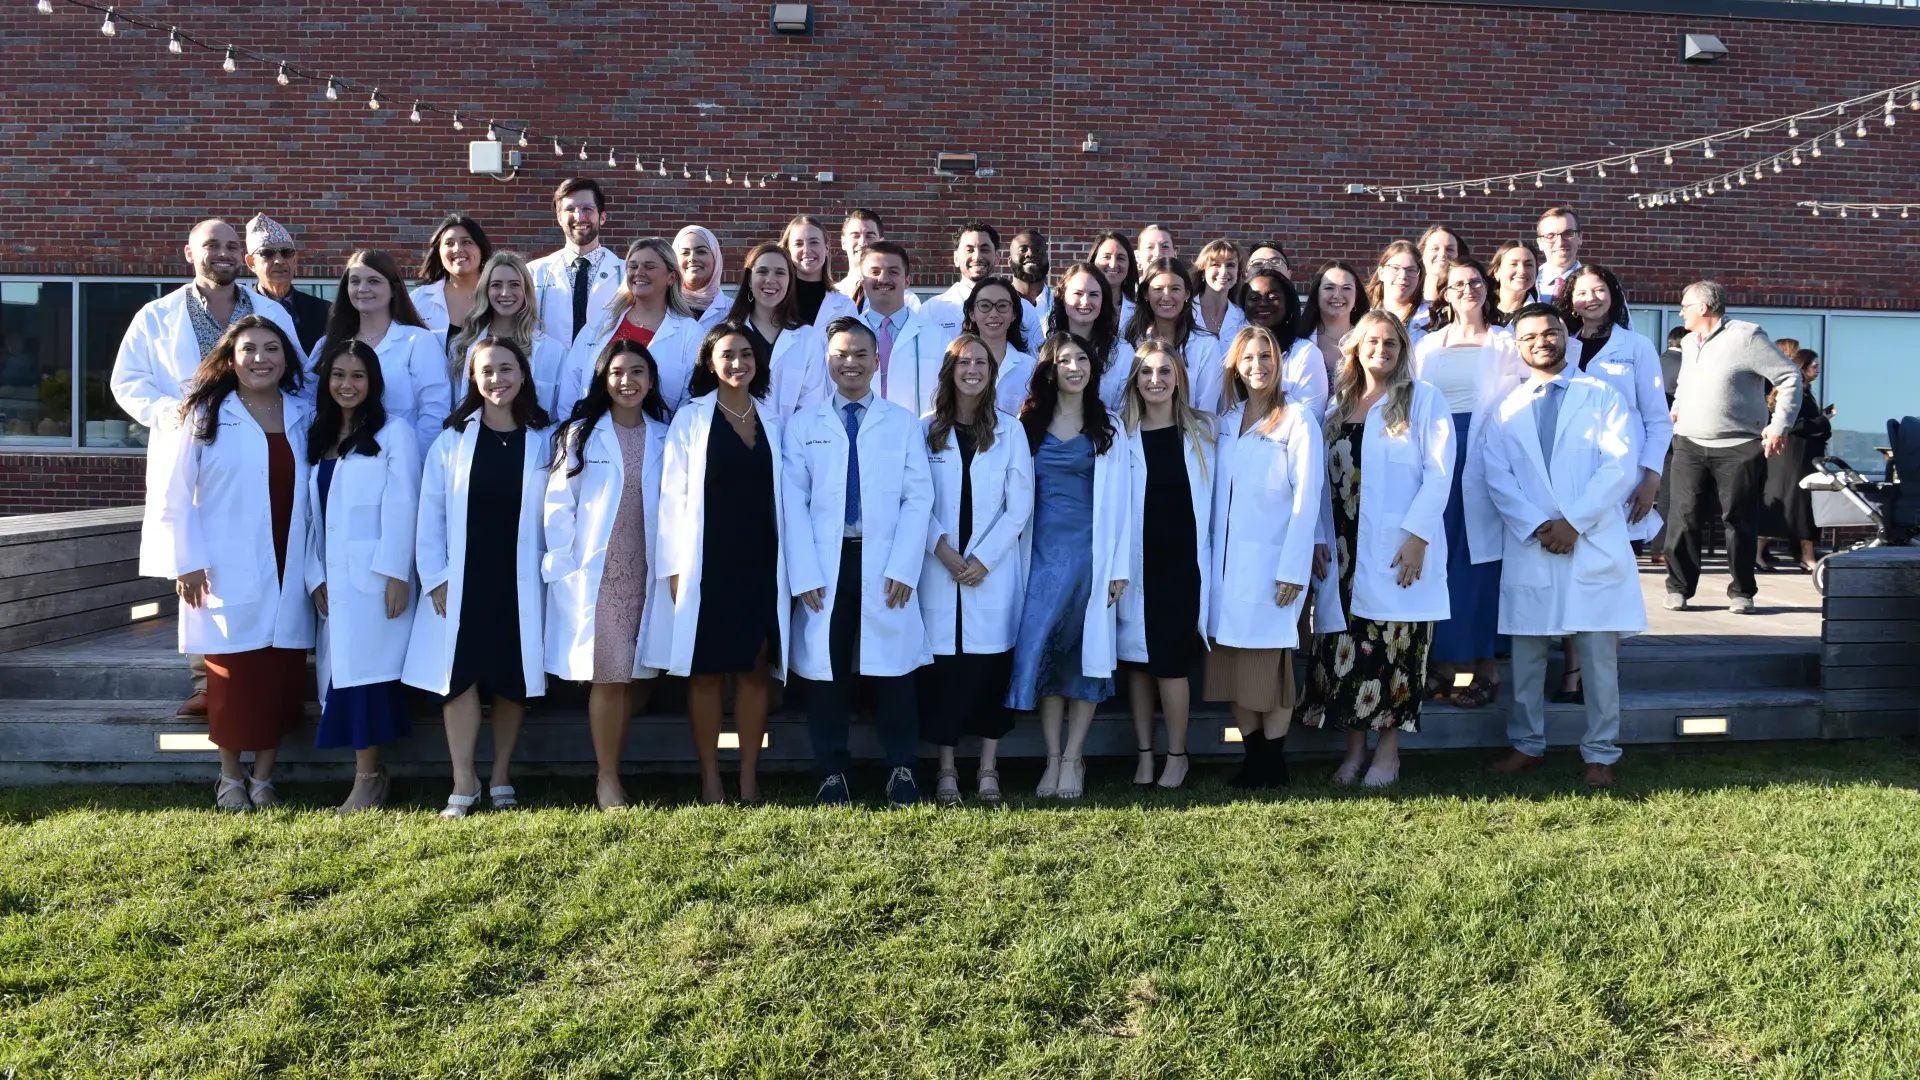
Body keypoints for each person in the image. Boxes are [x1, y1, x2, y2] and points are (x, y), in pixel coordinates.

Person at [112, 219, 303, 720]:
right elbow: (126, 382)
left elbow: (296, 371)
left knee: (264, 557)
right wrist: (175, 417)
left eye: (229, 246)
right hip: (192, 449)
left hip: (253, 445)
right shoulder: (157, 316)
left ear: (241, 256)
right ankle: (206, 680)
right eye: (210, 245)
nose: (221, 253)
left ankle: (271, 674)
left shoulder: (266, 311)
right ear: (189, 253)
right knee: (195, 561)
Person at [140, 316, 312, 810]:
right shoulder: (203, 414)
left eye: (272, 348)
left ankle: (264, 777)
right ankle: (230, 777)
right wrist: (185, 561)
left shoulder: (303, 413)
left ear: (286, 358)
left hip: (290, 558)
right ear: (230, 358)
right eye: (249, 349)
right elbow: (174, 495)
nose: (261, 358)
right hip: (223, 564)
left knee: (281, 671)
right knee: (233, 672)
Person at [1482, 304, 1646, 789]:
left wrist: (1573, 522)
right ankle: (1526, 744)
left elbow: (1619, 466)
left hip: (1591, 541)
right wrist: (1539, 525)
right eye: (1529, 336)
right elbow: (1497, 475)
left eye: (1549, 332)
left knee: (1598, 656)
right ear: (1518, 346)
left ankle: (1600, 752)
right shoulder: (1507, 407)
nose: (1540, 342)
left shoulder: (1603, 397)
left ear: (1564, 336)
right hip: (1533, 543)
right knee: (1528, 653)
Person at [784, 317, 935, 806]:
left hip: (885, 562)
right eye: (840, 355)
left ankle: (901, 770)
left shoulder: (902, 423)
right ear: (828, 362)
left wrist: (904, 566)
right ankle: (831, 771)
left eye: (860, 355)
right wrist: (805, 572)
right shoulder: (805, 425)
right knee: (826, 672)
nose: (850, 363)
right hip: (826, 567)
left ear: (877, 361)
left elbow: (918, 499)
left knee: (895, 670)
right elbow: (793, 502)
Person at [403, 339, 553, 818]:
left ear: (523, 375)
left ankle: (502, 774)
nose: (496, 379)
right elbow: (429, 513)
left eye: (506, 369)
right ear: (473, 379)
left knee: (513, 675)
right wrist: (436, 576)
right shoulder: (452, 438)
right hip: (464, 576)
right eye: (486, 371)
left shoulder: (544, 436)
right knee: (460, 676)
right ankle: (463, 780)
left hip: (521, 576)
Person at [1304, 310, 1453, 788]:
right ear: (1355, 348)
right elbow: (1321, 486)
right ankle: (1354, 752)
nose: (1381, 350)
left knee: (1396, 651)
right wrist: (1320, 539)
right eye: (1372, 342)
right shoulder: (1338, 406)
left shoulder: (1423, 400)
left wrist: (1417, 537)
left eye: (1391, 343)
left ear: (1403, 349)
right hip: (1343, 552)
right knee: (1344, 652)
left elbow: (1440, 472)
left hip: (1397, 547)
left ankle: (1388, 755)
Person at [651, 322, 792, 804]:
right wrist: (673, 567)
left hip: (761, 560)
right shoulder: (691, 420)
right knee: (706, 671)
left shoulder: (774, 420)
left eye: (746, 356)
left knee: (754, 669)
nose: (738, 364)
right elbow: (672, 495)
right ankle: (711, 776)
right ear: (710, 363)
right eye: (727, 355)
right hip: (706, 563)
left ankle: (749, 777)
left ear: (759, 364)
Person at [544, 338, 672, 810]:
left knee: (640, 673)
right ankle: (607, 779)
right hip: (600, 571)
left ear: (651, 380)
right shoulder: (580, 434)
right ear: (603, 379)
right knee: (609, 676)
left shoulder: (665, 434)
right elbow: (558, 506)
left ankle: (615, 763)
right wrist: (562, 565)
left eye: (637, 372)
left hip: (650, 566)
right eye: (617, 373)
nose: (627, 381)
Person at [1006, 333, 1130, 800]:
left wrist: (1118, 566)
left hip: (1092, 559)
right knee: (1048, 654)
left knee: (1084, 656)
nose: (1074, 366)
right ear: (1050, 370)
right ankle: (1052, 756)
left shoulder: (1109, 426)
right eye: (1065, 360)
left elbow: (1122, 504)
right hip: (1039, 559)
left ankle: (1075, 758)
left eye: (1082, 359)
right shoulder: (1026, 425)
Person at [302, 338, 418, 814]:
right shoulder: (319, 438)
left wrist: (395, 573)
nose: (346, 385)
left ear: (373, 384)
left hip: (374, 581)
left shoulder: (395, 433)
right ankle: (369, 776)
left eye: (357, 376)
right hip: (335, 582)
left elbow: (404, 504)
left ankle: (368, 779)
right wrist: (314, 577)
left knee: (367, 680)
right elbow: (310, 519)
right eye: (338, 376)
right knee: (345, 677)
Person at [918, 334, 1034, 805]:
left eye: (981, 362)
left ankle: (988, 770)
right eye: (964, 362)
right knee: (943, 674)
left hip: (990, 572)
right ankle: (946, 772)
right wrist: (941, 549)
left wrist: (984, 559)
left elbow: (1020, 504)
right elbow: (913, 498)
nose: (973, 369)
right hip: (940, 569)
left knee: (989, 671)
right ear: (949, 370)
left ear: (991, 372)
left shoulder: (1011, 430)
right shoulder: (924, 431)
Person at [1207, 325, 1323, 789]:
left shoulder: (1296, 420)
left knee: (1269, 670)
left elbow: (1306, 498)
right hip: (1223, 569)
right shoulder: (1224, 421)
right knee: (1231, 668)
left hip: (1273, 566)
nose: (1258, 366)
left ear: (1279, 365)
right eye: (1249, 358)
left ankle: (1273, 762)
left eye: (1267, 357)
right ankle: (1254, 758)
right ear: (1235, 363)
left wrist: (1293, 568)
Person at [1410, 258, 1520, 709]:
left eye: (1475, 282)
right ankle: (1443, 664)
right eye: (1457, 284)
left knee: (1481, 562)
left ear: (1486, 287)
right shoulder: (1427, 345)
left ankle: (1486, 667)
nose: (1467, 289)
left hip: (1487, 458)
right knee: (1442, 558)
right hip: (1437, 456)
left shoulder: (1506, 342)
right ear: (1445, 293)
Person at [1665, 281, 1802, 614]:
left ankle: (1742, 592)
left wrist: (1778, 424)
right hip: (1689, 444)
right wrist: (1678, 407)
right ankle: (1679, 588)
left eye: (1685, 305)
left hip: (1739, 445)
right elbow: (1684, 383)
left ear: (1704, 308)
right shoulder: (1687, 341)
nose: (1680, 310)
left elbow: (1789, 377)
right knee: (1683, 519)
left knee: (1738, 521)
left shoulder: (1747, 337)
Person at [1116, 342, 1215, 789]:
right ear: (1134, 380)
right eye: (1146, 373)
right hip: (1136, 562)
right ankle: (1144, 755)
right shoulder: (1121, 434)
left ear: (1178, 378)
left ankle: (1177, 755)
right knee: (1137, 661)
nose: (1155, 381)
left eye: (1164, 372)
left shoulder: (1203, 432)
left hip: (1182, 565)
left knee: (1170, 662)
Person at [314, 250, 450, 459]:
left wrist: (415, 465)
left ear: (394, 289)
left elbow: (434, 412)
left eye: (374, 281)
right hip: (336, 462)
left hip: (398, 463)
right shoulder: (327, 345)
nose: (363, 289)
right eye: (355, 281)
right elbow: (309, 403)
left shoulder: (418, 341)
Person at [558, 237, 704, 416]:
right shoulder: (603, 320)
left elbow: (691, 399)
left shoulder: (690, 332)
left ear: (671, 277)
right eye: (633, 266)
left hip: (659, 439)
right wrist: (571, 428)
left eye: (649, 267)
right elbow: (572, 378)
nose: (639, 272)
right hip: (593, 435)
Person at [447, 251, 565, 417]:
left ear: (526, 291)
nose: (505, 293)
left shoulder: (552, 350)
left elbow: (559, 414)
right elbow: (452, 408)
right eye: (496, 285)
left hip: (533, 440)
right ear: (485, 290)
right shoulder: (461, 346)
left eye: (514, 285)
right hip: (474, 440)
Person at [723, 242, 829, 419]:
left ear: (790, 281)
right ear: (749, 279)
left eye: (780, 272)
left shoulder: (808, 338)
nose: (770, 280)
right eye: (762, 271)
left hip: (791, 443)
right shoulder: (726, 335)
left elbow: (811, 408)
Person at [1758, 348, 1830, 573]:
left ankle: (1805, 555)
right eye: (1814, 366)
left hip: (1803, 456)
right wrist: (1820, 422)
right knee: (1790, 504)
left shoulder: (1806, 392)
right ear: (1803, 367)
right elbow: (1791, 423)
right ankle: (1758, 553)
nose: (1818, 371)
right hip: (1791, 458)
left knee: (1802, 506)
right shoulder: (1792, 391)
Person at [856, 241, 945, 417]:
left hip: (918, 439)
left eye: (893, 272)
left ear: (907, 281)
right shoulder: (844, 337)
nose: (883, 279)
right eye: (874, 272)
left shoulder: (938, 338)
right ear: (863, 282)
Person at [1126, 258, 1223, 417]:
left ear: (1187, 294)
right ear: (1145, 294)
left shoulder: (1206, 345)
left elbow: (1206, 411)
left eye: (1175, 289)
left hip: (1189, 437)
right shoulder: (1131, 342)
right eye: (1158, 289)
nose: (1166, 297)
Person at [529, 178, 622, 344]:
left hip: (605, 368)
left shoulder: (626, 274)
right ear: (559, 218)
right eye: (570, 209)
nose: (579, 216)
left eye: (587, 209)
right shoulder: (533, 273)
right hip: (550, 369)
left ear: (602, 217)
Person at [921, 222, 1036, 352]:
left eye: (985, 249)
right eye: (969, 250)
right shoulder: (931, 311)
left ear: (997, 258)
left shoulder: (1025, 309)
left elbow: (1037, 363)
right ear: (956, 258)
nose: (977, 257)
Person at [1048, 261, 1132, 409]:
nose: (1085, 302)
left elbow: (1125, 410)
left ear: (1103, 301)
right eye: (1078, 293)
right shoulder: (1043, 349)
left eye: (1093, 295)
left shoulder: (1123, 352)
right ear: (1062, 296)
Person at [243, 213, 331, 352]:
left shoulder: (324, 310)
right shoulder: (242, 310)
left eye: (286, 252)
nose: (279, 261)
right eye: (267, 253)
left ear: (295, 259)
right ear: (251, 263)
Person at [1239, 268, 1315, 418]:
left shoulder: (1306, 352)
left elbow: (1312, 415)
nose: (1263, 303)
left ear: (1288, 304)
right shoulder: (1236, 349)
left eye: (1273, 296)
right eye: (1254, 298)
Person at [960, 276, 1036, 415]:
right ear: (972, 313)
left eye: (1002, 306)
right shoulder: (957, 365)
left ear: (1013, 314)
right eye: (984, 306)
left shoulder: (1031, 368)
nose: (994, 314)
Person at [410, 213, 491, 342]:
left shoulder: (499, 297)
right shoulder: (417, 301)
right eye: (449, 243)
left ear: (481, 249)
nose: (457, 249)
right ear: (438, 252)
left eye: (466, 242)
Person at [1291, 261, 1368, 393]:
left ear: (1357, 296)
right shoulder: (1296, 341)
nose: (1337, 295)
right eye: (1329, 288)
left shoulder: (1368, 340)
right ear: (1317, 294)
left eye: (1346, 288)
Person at [781, 213, 859, 330]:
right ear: (788, 251)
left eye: (814, 242)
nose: (807, 250)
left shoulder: (845, 305)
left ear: (826, 247)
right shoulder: (777, 301)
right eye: (798, 244)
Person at [674, 225, 732, 330]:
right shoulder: (663, 306)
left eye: (701, 252)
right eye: (685, 253)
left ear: (715, 258)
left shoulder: (734, 311)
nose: (692, 258)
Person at [1191, 239, 1246, 342]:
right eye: (1215, 264)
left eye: (1230, 265)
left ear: (1238, 273)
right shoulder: (1185, 312)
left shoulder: (1242, 318)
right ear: (1203, 272)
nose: (1223, 272)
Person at [1365, 240, 1424, 334]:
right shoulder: (1364, 317)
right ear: (1381, 273)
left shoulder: (1433, 318)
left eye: (1411, 270)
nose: (1403, 276)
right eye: (1395, 268)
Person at [1412, 225, 1464, 331]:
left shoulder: (1466, 299)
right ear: (1422, 254)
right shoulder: (1408, 299)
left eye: (1450, 249)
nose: (1442, 254)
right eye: (1435, 249)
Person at [834, 208, 889, 300]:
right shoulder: (828, 296)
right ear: (843, 243)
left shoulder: (904, 299)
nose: (862, 243)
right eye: (855, 236)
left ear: (881, 243)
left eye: (870, 236)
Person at [1088, 230, 1139, 329]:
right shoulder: (1080, 305)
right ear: (1094, 261)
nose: (1113, 264)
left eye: (1121, 258)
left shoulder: (1138, 313)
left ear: (1129, 265)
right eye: (1106, 257)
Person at [1534, 207, 1583, 302]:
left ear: (1580, 238)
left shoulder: (1599, 285)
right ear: (1540, 243)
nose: (1560, 243)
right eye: (1550, 236)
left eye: (1568, 233)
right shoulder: (1526, 284)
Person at [1489, 239, 1541, 325]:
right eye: (1513, 264)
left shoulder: (1542, 316)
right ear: (1496, 271)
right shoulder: (1480, 310)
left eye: (1528, 265)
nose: (1522, 271)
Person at [1007, 228, 1051, 329]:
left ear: (1047, 259)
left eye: (1038, 250)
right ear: (1009, 261)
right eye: (1023, 250)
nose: (1030, 254)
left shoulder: (1061, 304)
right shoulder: (999, 303)